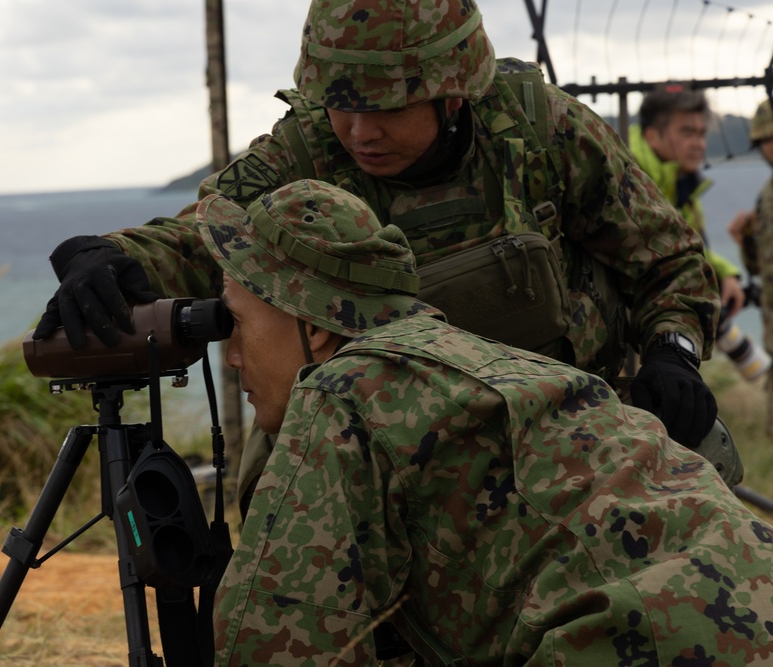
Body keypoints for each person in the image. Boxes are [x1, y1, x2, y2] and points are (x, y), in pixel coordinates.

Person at [33, 0, 721, 505]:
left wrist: (674, 352)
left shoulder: (539, 133)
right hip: (385, 464)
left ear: (453, 94)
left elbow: (667, 261)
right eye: (341, 105)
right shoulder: (308, 151)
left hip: (567, 443)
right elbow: (203, 235)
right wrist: (113, 255)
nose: (359, 131)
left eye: (388, 107)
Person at [199, 178, 773, 666]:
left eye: (238, 322)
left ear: (315, 325)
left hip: (636, 637)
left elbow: (274, 638)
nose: (231, 356)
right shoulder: (482, 359)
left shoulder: (342, 389)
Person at [630, 86, 769, 382]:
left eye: (702, 134)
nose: (699, 144)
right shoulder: (632, 181)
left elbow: (687, 245)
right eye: (687, 133)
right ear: (652, 136)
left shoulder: (681, 184)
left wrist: (726, 273)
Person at [729, 98, 773, 435]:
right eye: (764, 141)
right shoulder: (767, 195)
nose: (770, 148)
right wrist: (745, 239)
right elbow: (760, 267)